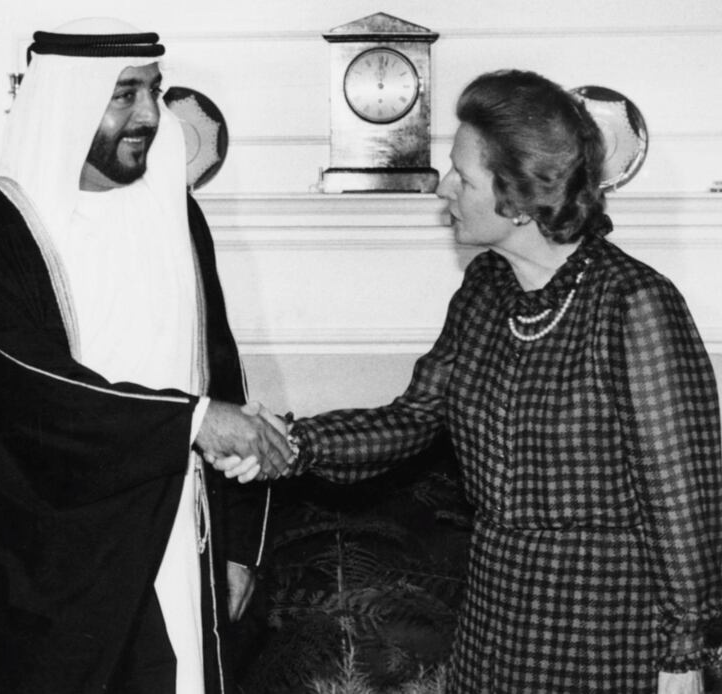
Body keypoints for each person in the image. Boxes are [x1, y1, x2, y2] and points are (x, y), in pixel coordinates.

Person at [279, 70, 722, 693]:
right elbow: (413, 417)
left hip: (607, 623)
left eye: (464, 174)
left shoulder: (634, 304)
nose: (446, 187)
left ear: (517, 196)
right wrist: (294, 444)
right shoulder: (485, 289)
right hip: (498, 611)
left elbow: (683, 498)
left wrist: (683, 652)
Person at [0, 18, 293, 694]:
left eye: (154, 90)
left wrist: (239, 548)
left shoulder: (174, 215)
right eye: (124, 94)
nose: (149, 115)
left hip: (177, 543)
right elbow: (31, 396)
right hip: (46, 573)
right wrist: (193, 422)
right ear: (65, 101)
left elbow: (220, 369)